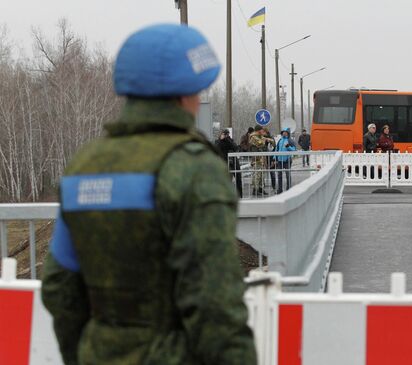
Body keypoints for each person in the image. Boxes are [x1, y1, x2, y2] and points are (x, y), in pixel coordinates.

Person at [40, 24, 256, 365]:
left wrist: (83, 353)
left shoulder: (84, 166)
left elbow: (58, 285)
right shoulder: (194, 168)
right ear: (188, 93)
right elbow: (214, 302)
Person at [216, 129, 243, 198]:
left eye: (227, 134)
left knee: (238, 178)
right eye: (225, 134)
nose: (226, 135)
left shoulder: (230, 140)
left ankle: (239, 195)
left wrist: (228, 139)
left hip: (233, 162)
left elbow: (235, 148)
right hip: (224, 162)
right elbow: (217, 149)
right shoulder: (218, 141)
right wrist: (221, 140)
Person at [249, 125, 275, 196]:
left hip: (262, 159)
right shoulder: (253, 137)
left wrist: (270, 139)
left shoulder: (260, 136)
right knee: (256, 175)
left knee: (262, 175)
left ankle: (260, 188)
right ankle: (255, 190)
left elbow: (271, 141)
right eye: (261, 130)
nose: (263, 131)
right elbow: (260, 143)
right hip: (256, 159)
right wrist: (265, 139)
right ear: (258, 130)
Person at [274, 128, 297, 194]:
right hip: (279, 160)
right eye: (283, 132)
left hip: (287, 160)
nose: (284, 133)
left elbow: (294, 149)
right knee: (279, 175)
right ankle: (280, 189)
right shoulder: (280, 140)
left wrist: (288, 147)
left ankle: (289, 189)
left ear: (288, 133)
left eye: (285, 132)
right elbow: (276, 150)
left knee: (287, 175)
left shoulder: (290, 141)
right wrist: (274, 158)